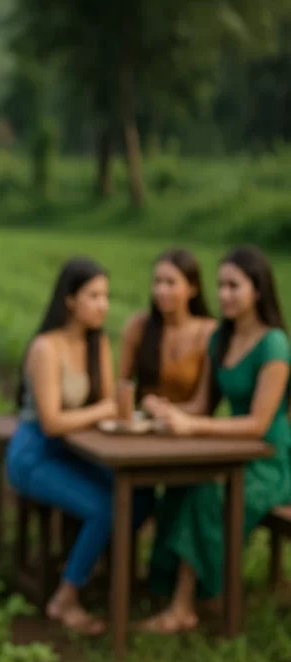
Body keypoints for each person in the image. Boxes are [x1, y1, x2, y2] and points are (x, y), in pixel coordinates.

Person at [139, 245, 291, 634]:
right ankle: (165, 586)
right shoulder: (221, 337)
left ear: (258, 290)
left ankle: (184, 606)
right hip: (236, 448)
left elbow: (258, 423)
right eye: (220, 286)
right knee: (180, 486)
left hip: (270, 457)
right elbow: (202, 403)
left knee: (209, 496)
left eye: (234, 286)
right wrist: (167, 410)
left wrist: (195, 427)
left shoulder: (273, 344)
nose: (223, 295)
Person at [6, 257, 154, 635]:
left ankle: (94, 568)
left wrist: (113, 410)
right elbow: (53, 422)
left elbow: (107, 405)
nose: (104, 305)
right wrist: (106, 408)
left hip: (75, 450)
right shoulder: (45, 348)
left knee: (139, 497)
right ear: (70, 300)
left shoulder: (97, 342)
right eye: (94, 296)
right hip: (34, 453)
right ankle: (66, 597)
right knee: (105, 507)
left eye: (106, 296)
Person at [118, 248, 216, 406]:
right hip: (142, 424)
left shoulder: (207, 332)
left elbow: (203, 405)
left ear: (192, 288)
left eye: (171, 283)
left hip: (189, 426)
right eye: (157, 282)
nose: (161, 290)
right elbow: (122, 389)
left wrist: (162, 411)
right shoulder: (138, 326)